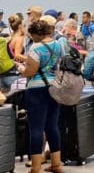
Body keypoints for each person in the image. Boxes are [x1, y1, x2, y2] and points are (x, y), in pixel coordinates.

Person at [20, 19, 64, 173]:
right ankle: (56, 164)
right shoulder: (58, 44)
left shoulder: (35, 48)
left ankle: (36, 167)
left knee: (36, 129)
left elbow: (30, 72)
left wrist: (20, 67)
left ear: (36, 34)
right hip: (54, 87)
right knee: (52, 126)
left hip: (37, 90)